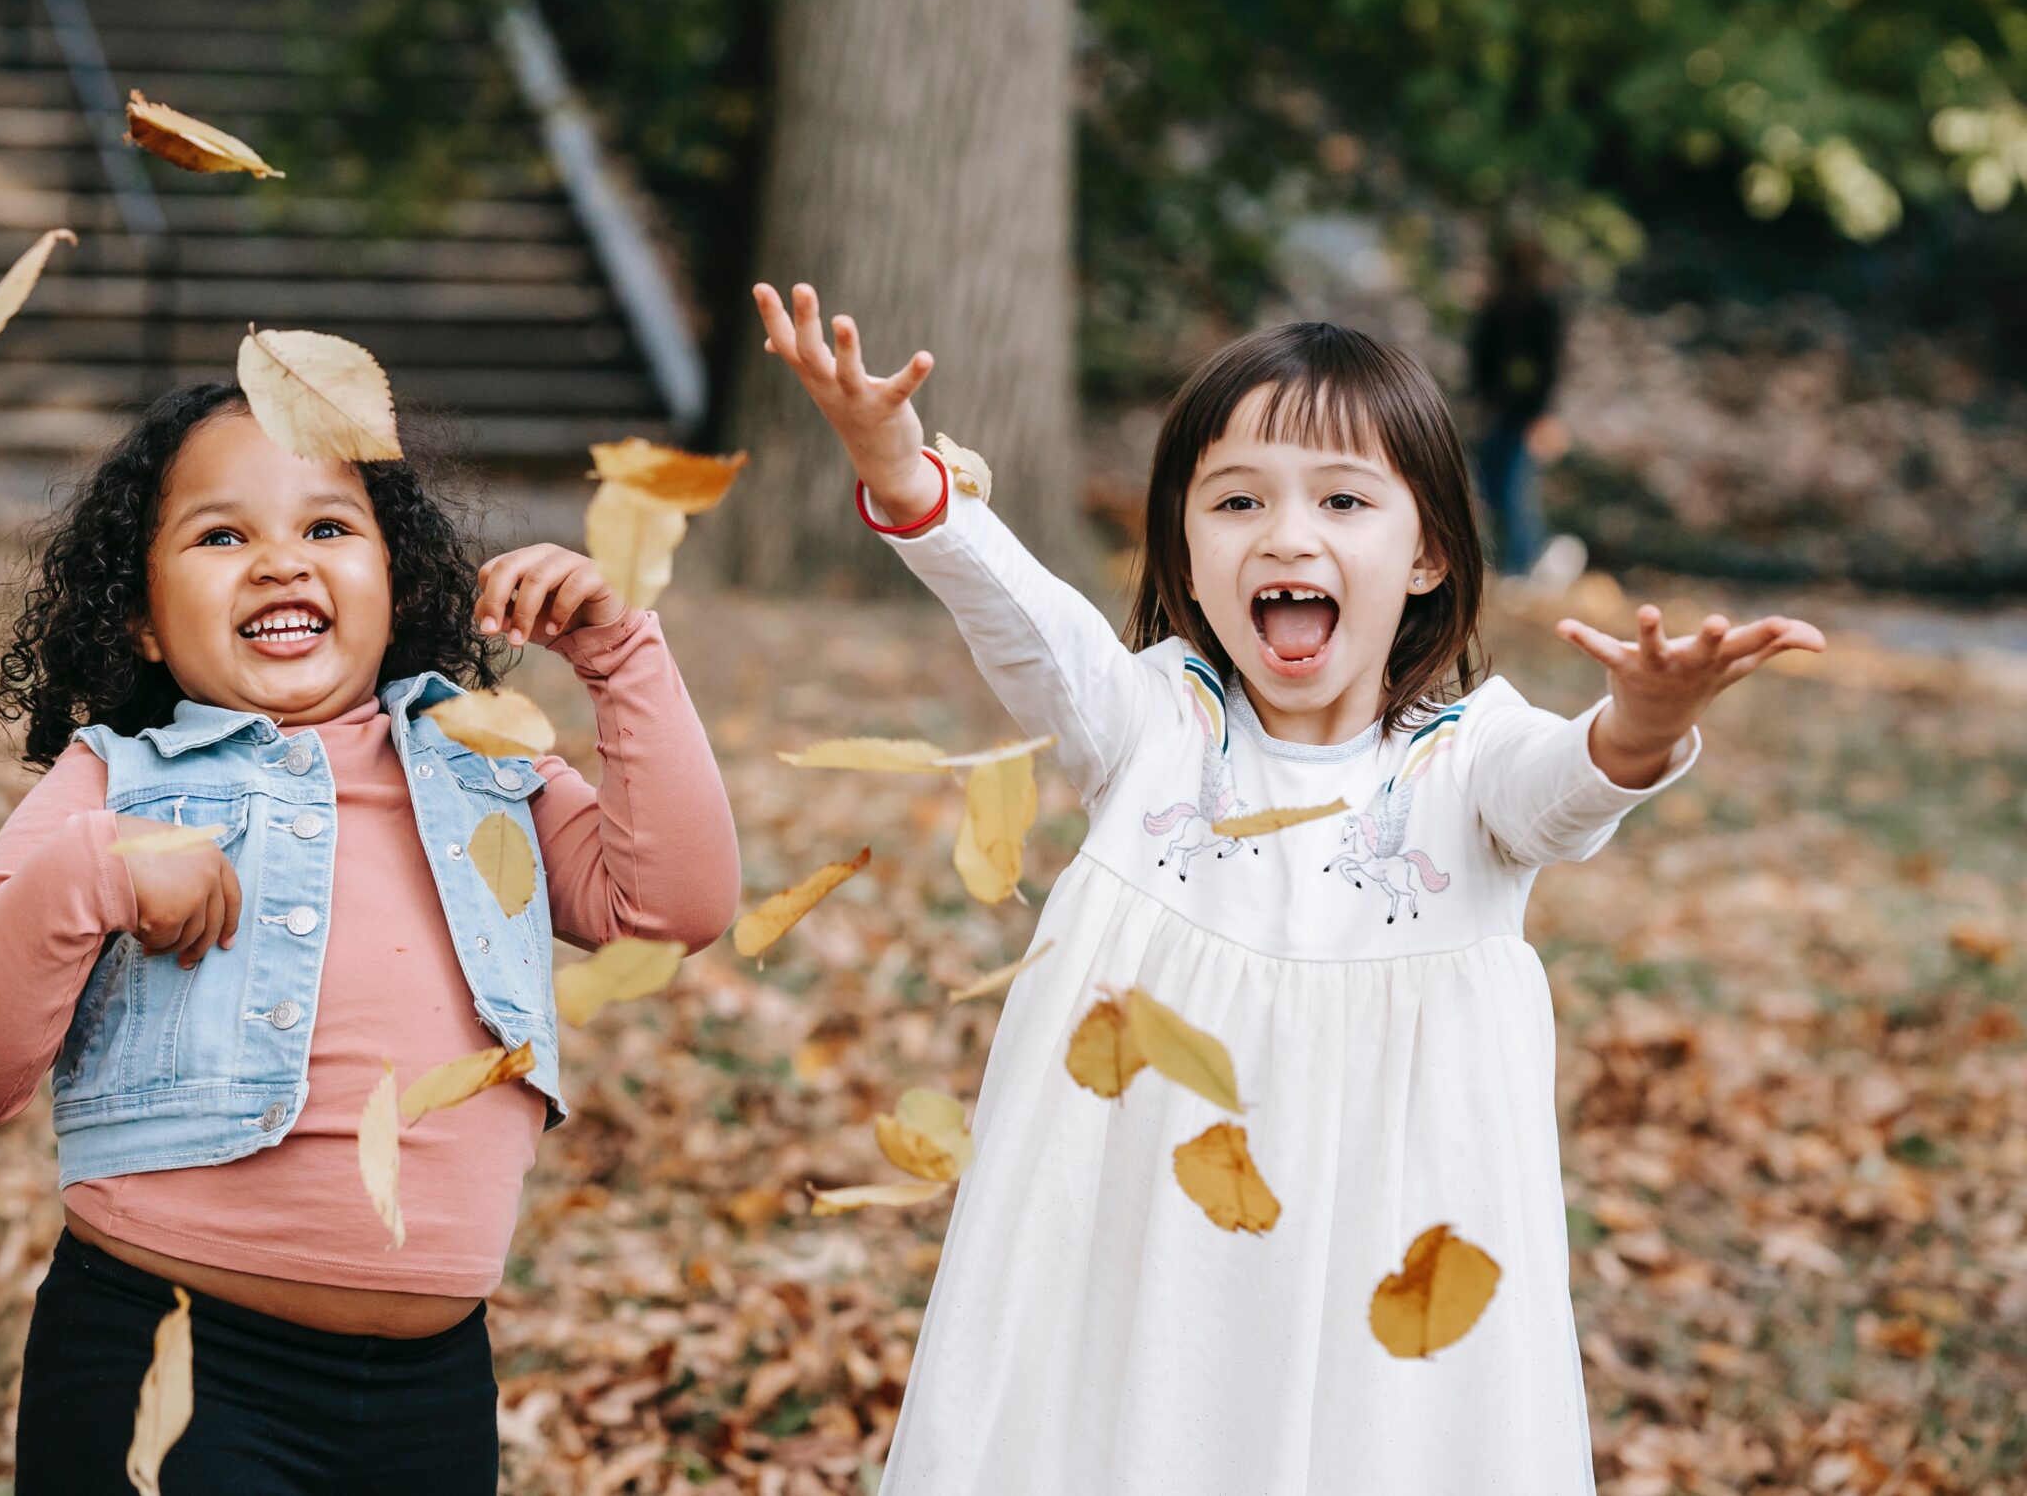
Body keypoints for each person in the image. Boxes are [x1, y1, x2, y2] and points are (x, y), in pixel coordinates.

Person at [754, 282, 1822, 1495]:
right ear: (1185, 552)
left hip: (1387, 1256)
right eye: (1237, 501)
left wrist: (1639, 722)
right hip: (1144, 1250)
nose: (1286, 533)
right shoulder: (1148, 722)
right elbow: (1016, 612)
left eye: (1343, 500)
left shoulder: (1469, 759)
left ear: (1425, 556)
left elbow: (1564, 790)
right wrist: (898, 466)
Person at [0, 383, 739, 1494]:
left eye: (328, 527)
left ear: (396, 584)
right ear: (142, 615)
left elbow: (671, 907)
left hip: (432, 1396)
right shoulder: (119, 787)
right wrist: (92, 871)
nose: (282, 560)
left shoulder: (488, 765)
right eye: (221, 534)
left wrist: (620, 655)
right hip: (172, 1359)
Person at [1468, 234, 1574, 581]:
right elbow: (1481, 360)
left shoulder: (1542, 310)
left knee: (1515, 490)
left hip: (1524, 415)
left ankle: (1523, 564)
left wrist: (1541, 415)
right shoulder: (1496, 310)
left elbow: (1549, 365)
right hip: (1501, 412)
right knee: (1490, 488)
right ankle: (1505, 562)